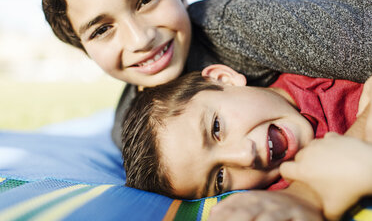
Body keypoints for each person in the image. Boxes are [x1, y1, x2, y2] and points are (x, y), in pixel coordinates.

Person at [39, 0, 372, 148]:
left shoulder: (231, 23)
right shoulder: (125, 130)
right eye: (101, 30)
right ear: (83, 48)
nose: (140, 39)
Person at [121, 64, 372, 220]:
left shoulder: (317, 67)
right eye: (219, 178)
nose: (244, 156)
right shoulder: (280, 193)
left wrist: (313, 190)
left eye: (216, 128)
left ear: (223, 79)